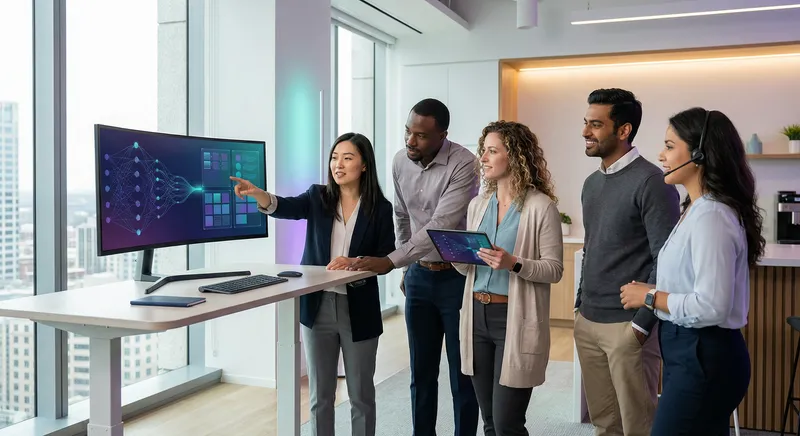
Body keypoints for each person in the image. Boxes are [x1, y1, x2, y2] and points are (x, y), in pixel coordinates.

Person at [230, 132, 395, 436]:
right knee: (321, 396)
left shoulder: (381, 209)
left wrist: (356, 261)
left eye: (347, 158)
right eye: (334, 157)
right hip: (317, 304)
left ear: (364, 166)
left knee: (361, 395)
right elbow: (286, 207)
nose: (338, 165)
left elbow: (385, 259)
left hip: (359, 308)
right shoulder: (318, 197)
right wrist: (259, 194)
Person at [620, 107, 762, 436]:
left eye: (670, 145)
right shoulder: (696, 208)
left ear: (699, 153)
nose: (661, 154)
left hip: (704, 354)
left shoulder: (712, 215)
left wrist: (651, 296)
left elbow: (711, 306)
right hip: (690, 350)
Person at [347, 98, 480, 435]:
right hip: (420, 277)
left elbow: (440, 226)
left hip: (458, 279)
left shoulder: (464, 164)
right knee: (420, 373)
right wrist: (408, 268)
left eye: (421, 136)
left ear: (442, 136)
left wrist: (391, 261)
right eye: (408, 131)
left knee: (462, 373)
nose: (410, 141)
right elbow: (402, 216)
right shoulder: (398, 162)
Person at [573, 88, 681, 436]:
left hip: (627, 328)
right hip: (588, 321)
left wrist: (641, 325)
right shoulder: (591, 184)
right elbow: (592, 249)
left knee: (639, 426)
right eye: (586, 123)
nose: (586, 132)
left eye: (595, 125)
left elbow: (665, 260)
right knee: (604, 425)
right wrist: (579, 305)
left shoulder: (654, 182)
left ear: (623, 130)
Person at [452, 121, 564, 436]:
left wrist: (513, 263)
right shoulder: (478, 205)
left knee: (507, 424)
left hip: (512, 319)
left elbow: (554, 269)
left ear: (514, 157)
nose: (483, 159)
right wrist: (458, 256)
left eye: (492, 151)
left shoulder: (541, 207)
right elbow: (470, 269)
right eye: (483, 151)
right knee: (488, 422)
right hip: (475, 316)